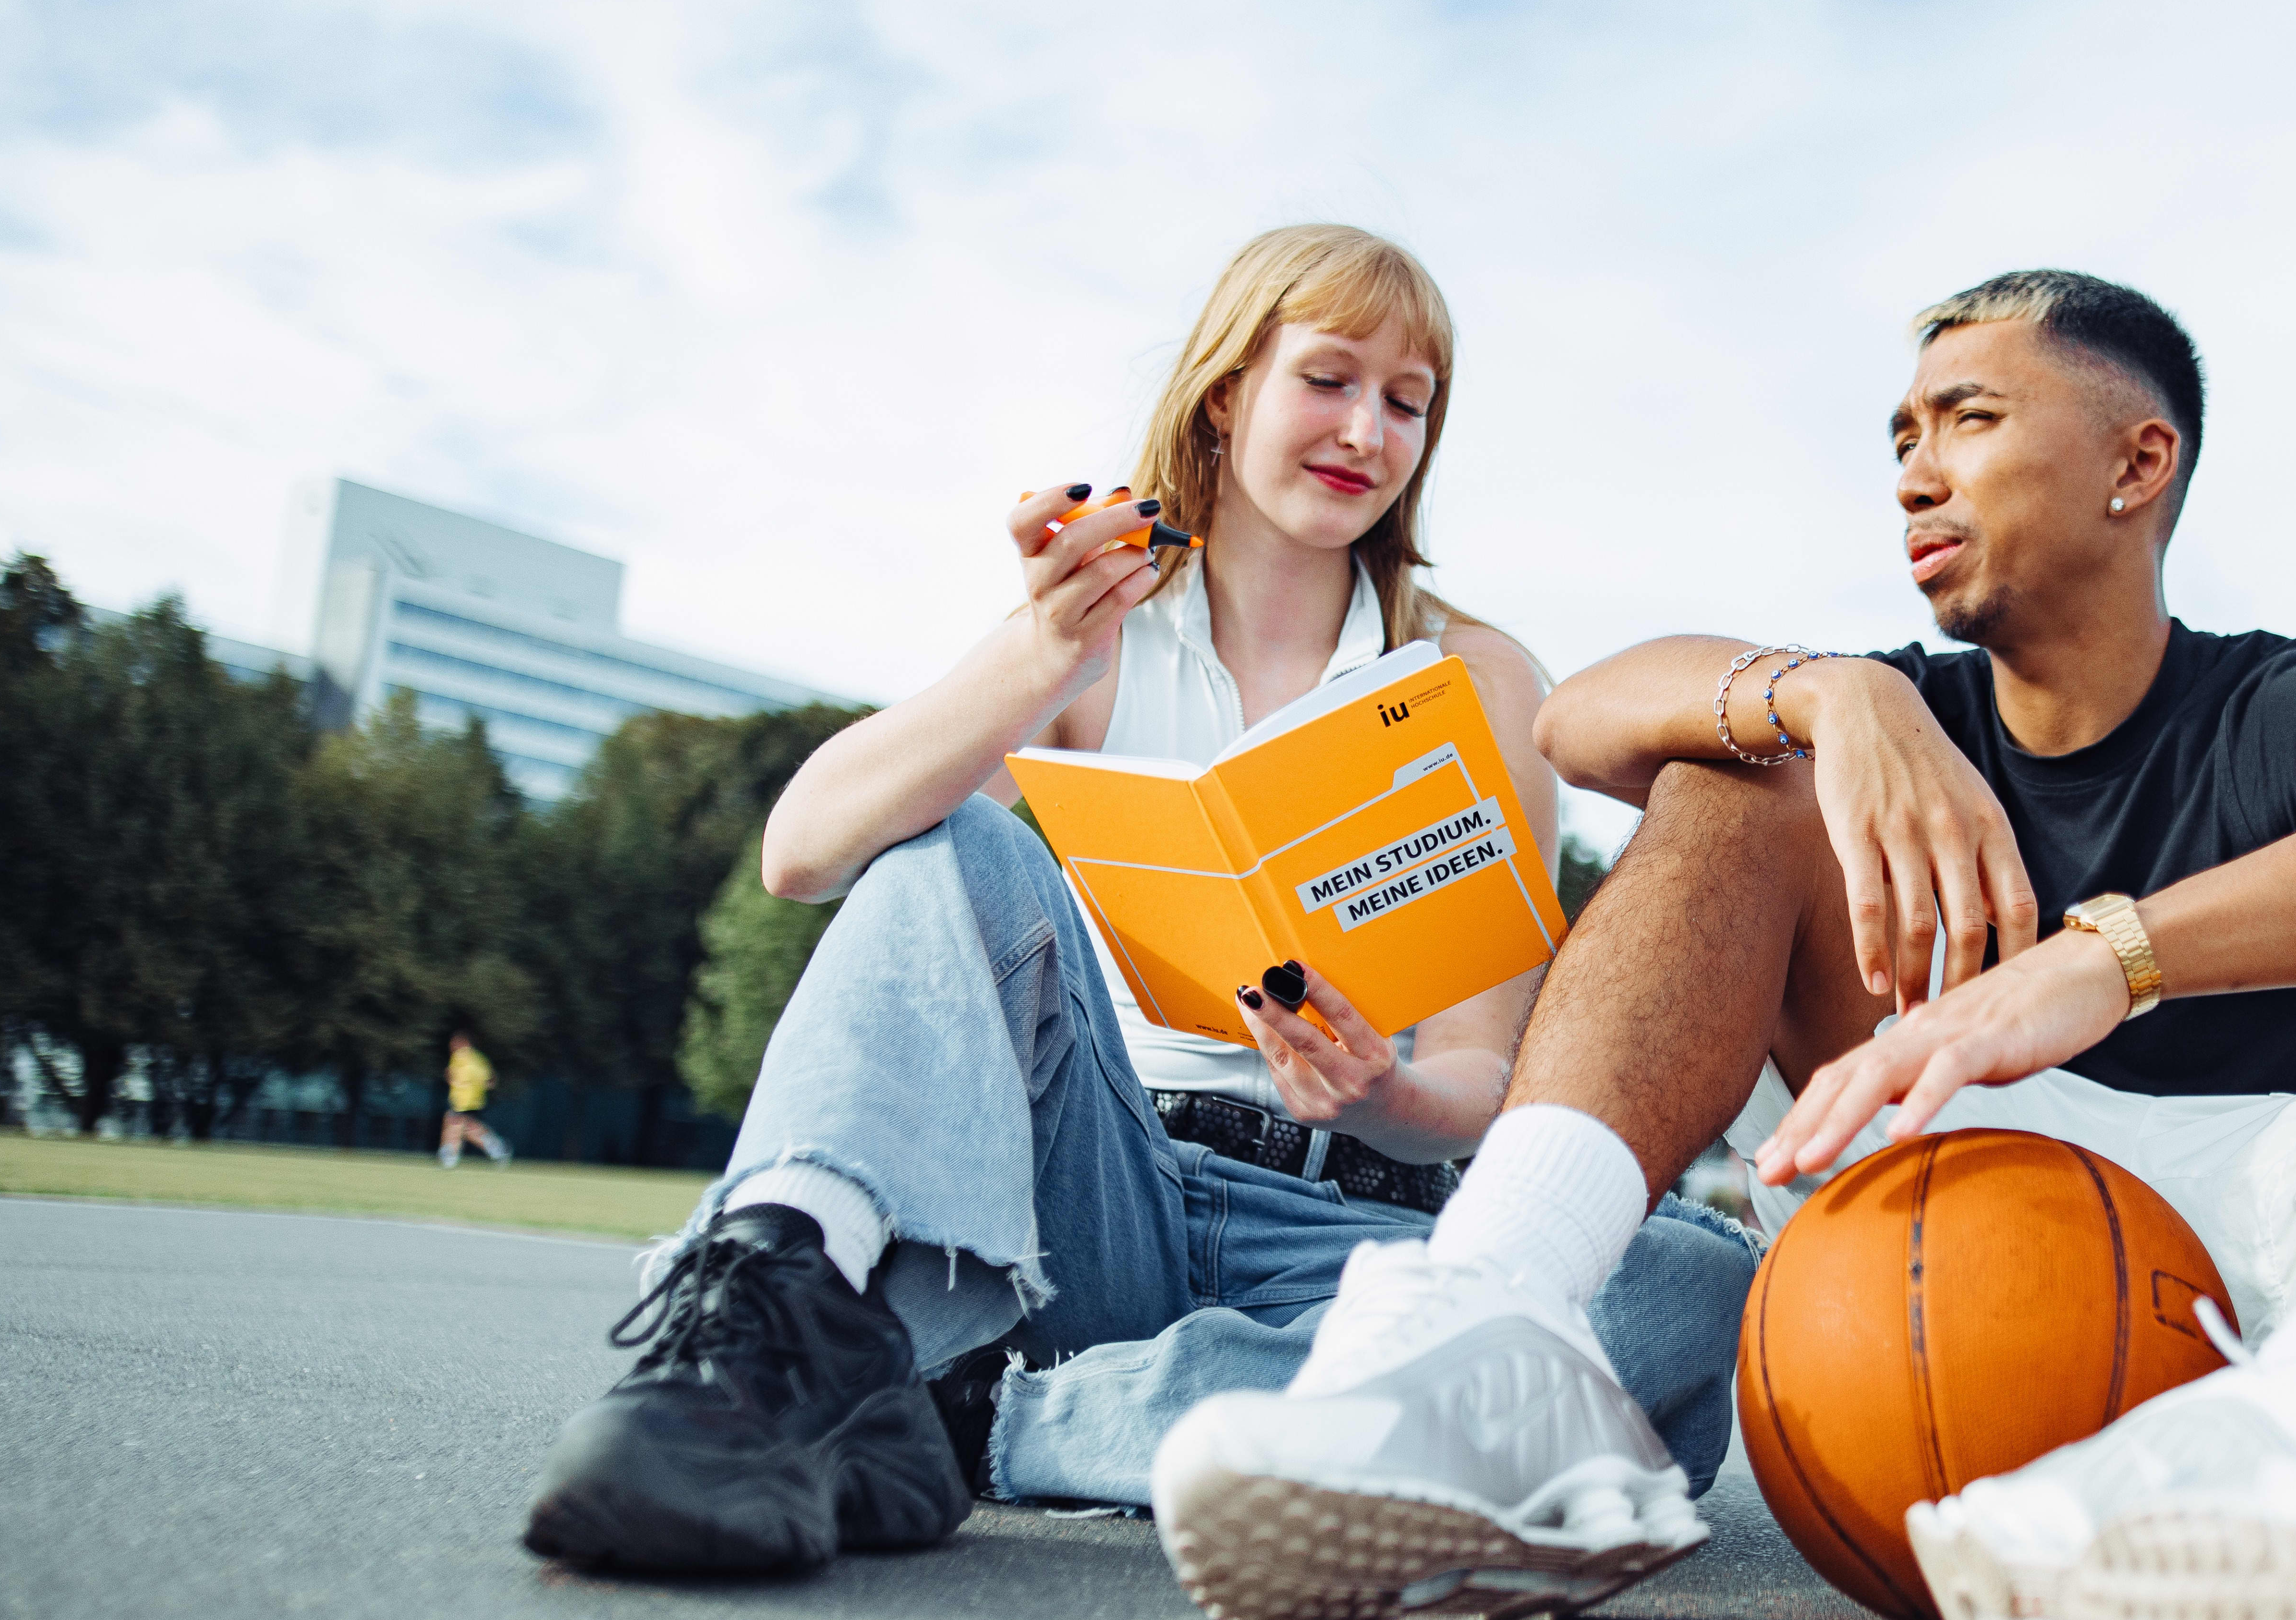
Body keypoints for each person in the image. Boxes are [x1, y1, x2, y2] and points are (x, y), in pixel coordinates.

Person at [1155, 269, 2296, 1620]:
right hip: (1937, 1195)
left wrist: (2108, 954)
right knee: (1736, 771)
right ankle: (1488, 1335)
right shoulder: (1889, 711)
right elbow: (1584, 713)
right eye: (1899, 436)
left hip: (2285, 1239)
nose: (1912, 472)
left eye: (1964, 419)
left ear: (2135, 460)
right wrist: (1834, 696)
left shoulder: (2286, 706)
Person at [520, 225, 1757, 1578]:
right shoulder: (1098, 625)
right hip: (1101, 1191)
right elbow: (806, 849)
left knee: (1683, 1285)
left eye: (1408, 402)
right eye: (1330, 379)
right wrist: (1045, 653)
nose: (1369, 430)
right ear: (1226, 391)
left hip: (1352, 1234)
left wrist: (1380, 1098)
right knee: (954, 848)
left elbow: (1482, 1071)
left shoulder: (1478, 681)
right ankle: (767, 1314)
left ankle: (978, 1416)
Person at [438, 1032, 510, 1169]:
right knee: (467, 1128)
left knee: (454, 1123)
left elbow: (451, 1075)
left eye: (455, 1044)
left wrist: (455, 1080)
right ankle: (497, 1148)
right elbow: (491, 1081)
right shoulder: (480, 1059)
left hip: (463, 1100)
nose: (452, 1047)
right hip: (477, 1100)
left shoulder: (460, 1057)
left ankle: (450, 1156)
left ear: (465, 1043)